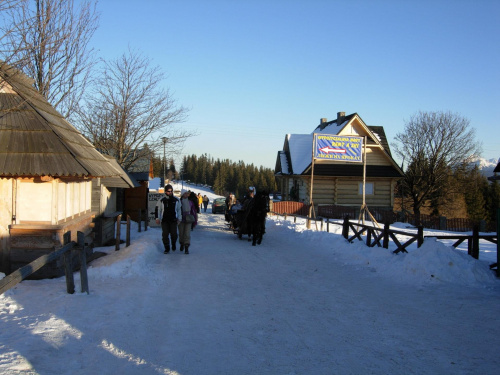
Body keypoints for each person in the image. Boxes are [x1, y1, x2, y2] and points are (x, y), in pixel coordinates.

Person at [155, 184, 181, 253]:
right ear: (165, 191)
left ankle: (173, 244)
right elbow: (158, 209)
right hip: (165, 220)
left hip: (173, 220)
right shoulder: (162, 200)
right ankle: (167, 247)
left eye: (171, 191)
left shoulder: (176, 200)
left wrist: (179, 218)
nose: (170, 192)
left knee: (174, 234)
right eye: (168, 191)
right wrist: (157, 218)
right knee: (165, 234)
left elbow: (179, 210)